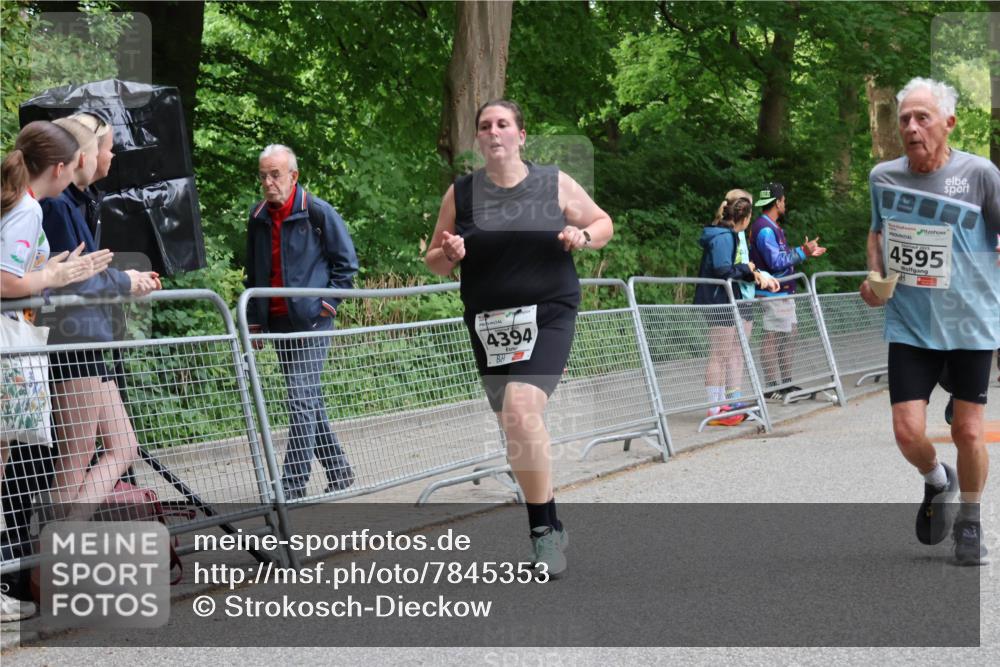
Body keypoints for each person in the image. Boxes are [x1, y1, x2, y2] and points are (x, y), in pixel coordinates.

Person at [424, 100, 613, 576]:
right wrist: (450, 252)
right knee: (515, 428)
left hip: (549, 314)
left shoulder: (552, 183)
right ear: (478, 138)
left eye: (503, 124)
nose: (494, 132)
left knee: (521, 409)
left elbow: (602, 223)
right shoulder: (461, 194)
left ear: (521, 135)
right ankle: (552, 521)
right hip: (490, 324)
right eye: (485, 125)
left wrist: (582, 237)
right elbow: (434, 260)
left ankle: (542, 534)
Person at [860, 77, 1000, 566]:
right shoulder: (884, 177)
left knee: (968, 432)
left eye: (923, 117)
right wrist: (875, 276)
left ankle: (970, 522)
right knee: (906, 431)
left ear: (949, 123)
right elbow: (877, 232)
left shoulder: (980, 174)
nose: (912, 127)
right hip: (912, 323)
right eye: (905, 119)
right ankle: (938, 480)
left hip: (970, 323)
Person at [1, 120, 111, 622]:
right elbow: (6, 280)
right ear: (62, 168)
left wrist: (54, 272)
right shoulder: (27, 209)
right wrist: (54, 275)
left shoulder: (18, 203)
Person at [40, 116, 159, 518]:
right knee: (75, 455)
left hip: (89, 336)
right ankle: (54, 545)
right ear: (84, 156)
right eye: (106, 149)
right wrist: (125, 281)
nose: (111, 156)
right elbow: (71, 277)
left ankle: (67, 532)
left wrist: (126, 280)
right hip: (71, 338)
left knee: (122, 444)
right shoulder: (57, 205)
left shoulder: (80, 202)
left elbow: (87, 271)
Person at [245, 144, 358, 500]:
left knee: (300, 398)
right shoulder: (258, 217)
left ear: (293, 176)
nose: (268, 182)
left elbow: (346, 265)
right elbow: (254, 272)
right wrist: (255, 321)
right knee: (308, 400)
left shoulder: (317, 212)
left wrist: (326, 305)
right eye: (263, 176)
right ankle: (339, 471)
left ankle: (292, 486)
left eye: (275, 175)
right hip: (278, 322)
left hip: (312, 322)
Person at [695, 193, 778, 426]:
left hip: (724, 299)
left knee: (724, 354)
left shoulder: (728, 235)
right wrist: (746, 269)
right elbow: (723, 270)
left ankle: (724, 404)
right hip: (717, 300)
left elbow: (729, 268)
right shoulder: (724, 237)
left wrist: (748, 271)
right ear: (746, 217)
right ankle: (714, 409)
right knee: (719, 354)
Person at [749, 182, 826, 399]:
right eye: (783, 200)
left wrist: (803, 252)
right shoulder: (765, 228)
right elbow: (775, 262)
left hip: (783, 291)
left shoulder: (771, 226)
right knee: (773, 336)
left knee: (789, 335)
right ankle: (772, 387)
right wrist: (802, 252)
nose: (785, 203)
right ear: (777, 202)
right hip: (773, 292)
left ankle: (786, 384)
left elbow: (780, 255)